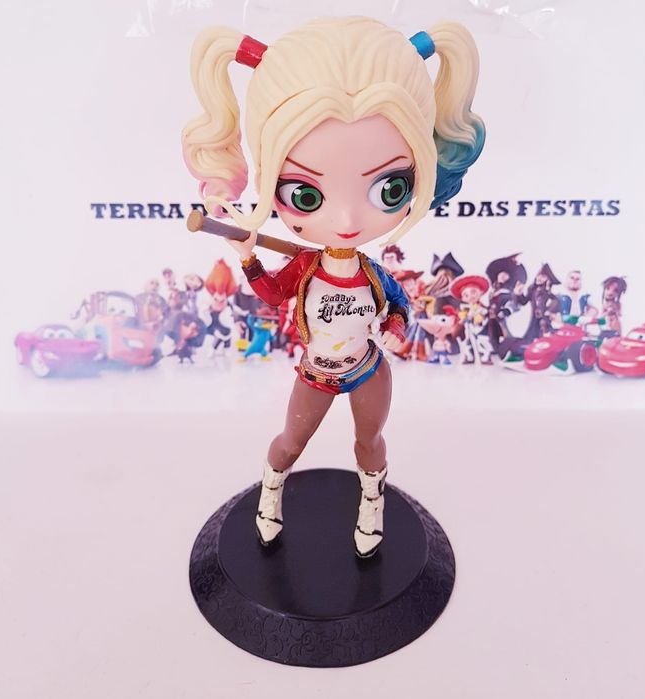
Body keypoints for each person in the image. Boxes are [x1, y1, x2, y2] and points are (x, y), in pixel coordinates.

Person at [182, 16, 484, 557]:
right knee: (291, 442)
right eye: (305, 195)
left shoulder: (373, 274)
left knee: (369, 443)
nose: (346, 221)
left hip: (367, 369)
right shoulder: (303, 269)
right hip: (317, 373)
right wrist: (248, 257)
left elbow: (398, 305)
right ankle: (270, 498)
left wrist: (393, 327)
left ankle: (372, 504)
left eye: (391, 188)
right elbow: (274, 295)